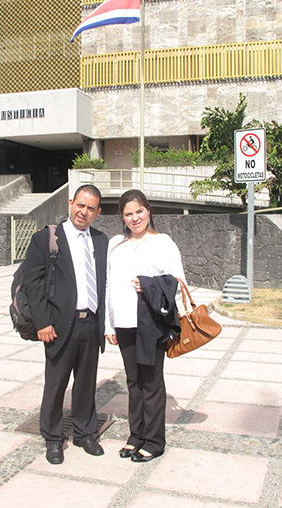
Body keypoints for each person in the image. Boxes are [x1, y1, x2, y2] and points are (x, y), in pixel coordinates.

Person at [21, 184, 109, 465]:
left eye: (91, 208)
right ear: (71, 203)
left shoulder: (101, 241)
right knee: (56, 384)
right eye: (80, 205)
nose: (84, 212)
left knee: (86, 383)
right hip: (58, 325)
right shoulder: (47, 238)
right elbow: (32, 283)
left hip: (90, 322)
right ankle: (53, 437)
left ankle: (84, 433)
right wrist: (43, 322)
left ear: (97, 212)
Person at [105, 189, 185, 463]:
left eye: (139, 211)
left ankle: (154, 441)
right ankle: (136, 435)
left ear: (148, 211)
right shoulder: (115, 243)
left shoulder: (164, 243)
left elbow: (178, 283)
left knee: (151, 382)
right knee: (133, 381)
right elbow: (108, 284)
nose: (135, 218)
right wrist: (109, 325)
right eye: (128, 213)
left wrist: (150, 285)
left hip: (151, 323)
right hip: (124, 323)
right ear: (122, 216)